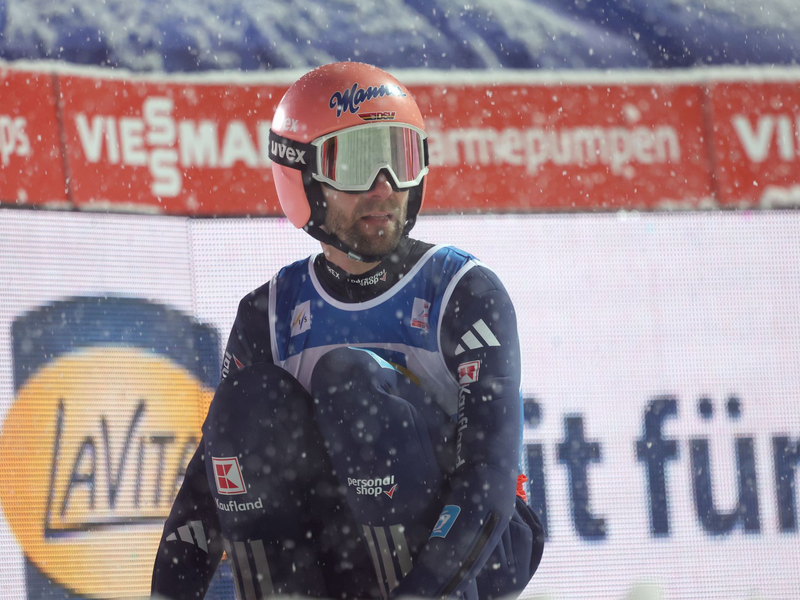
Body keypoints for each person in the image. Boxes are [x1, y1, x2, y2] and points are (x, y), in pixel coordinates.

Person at [151, 61, 544, 600]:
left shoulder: (463, 292)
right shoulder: (266, 314)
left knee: (350, 380)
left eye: (400, 158)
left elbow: (490, 480)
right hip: (341, 547)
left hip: (477, 550)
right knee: (245, 405)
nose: (385, 188)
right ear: (303, 177)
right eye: (357, 162)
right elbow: (205, 494)